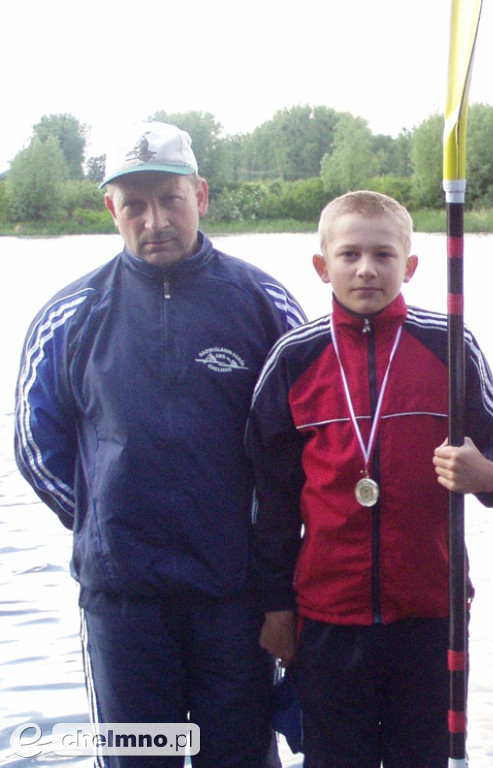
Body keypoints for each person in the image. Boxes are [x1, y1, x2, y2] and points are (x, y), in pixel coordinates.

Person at [14, 122, 306, 766]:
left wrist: (262, 549)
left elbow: (312, 441)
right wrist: (105, 523)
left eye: (170, 199)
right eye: (135, 205)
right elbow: (36, 447)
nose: (155, 221)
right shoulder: (70, 315)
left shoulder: (265, 304)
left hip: (235, 597)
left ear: (200, 194)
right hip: (124, 606)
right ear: (110, 208)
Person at [246, 190, 493, 767]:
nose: (366, 269)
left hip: (431, 613)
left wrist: (487, 473)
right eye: (349, 255)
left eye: (383, 255)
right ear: (322, 266)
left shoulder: (450, 345)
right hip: (327, 617)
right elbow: (271, 502)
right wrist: (275, 607)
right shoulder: (294, 358)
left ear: (410, 265)